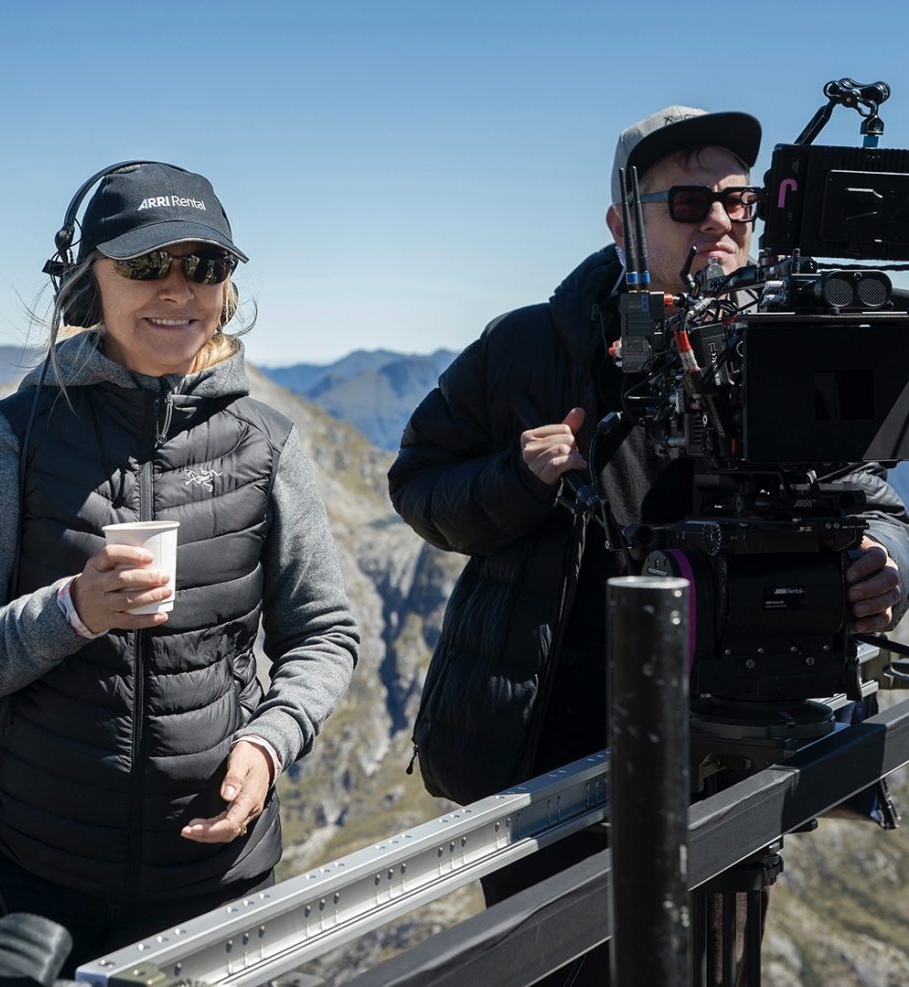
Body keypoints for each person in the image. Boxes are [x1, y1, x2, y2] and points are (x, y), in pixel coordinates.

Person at [388, 107, 909, 985]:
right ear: (621, 222)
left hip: (734, 751)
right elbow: (418, 487)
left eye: (740, 202)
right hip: (550, 770)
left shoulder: (791, 344)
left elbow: (877, 503)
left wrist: (890, 562)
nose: (719, 220)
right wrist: (520, 479)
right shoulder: (530, 346)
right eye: (689, 202)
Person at [0, 161, 359, 974]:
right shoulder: (11, 442)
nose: (177, 290)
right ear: (86, 287)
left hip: (216, 883)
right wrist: (70, 610)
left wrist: (270, 741)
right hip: (25, 878)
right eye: (146, 265)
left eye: (203, 266)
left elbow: (324, 631)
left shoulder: (268, 445)